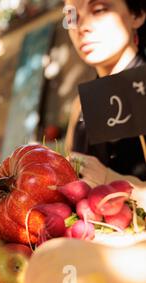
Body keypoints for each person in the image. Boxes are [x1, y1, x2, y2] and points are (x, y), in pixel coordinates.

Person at [63, 0, 146, 206]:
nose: (81, 27)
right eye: (71, 17)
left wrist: (109, 181)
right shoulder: (79, 105)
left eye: (98, 10)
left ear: (137, 15)